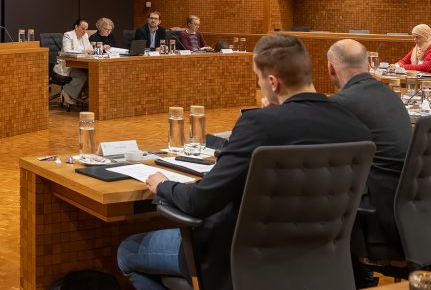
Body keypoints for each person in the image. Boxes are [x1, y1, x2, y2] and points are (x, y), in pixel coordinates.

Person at [116, 33, 371, 290]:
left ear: (273, 82)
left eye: (258, 80)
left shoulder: (259, 125)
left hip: (241, 261)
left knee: (127, 252)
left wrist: (163, 185)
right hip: (324, 263)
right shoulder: (356, 127)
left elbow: (199, 202)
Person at [328, 38, 412, 288]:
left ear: (331, 68)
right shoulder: (390, 95)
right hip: (412, 210)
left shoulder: (342, 103)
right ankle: (362, 277)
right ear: (368, 64)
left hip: (380, 217)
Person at [60, 19, 92, 106]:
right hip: (68, 64)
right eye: (82, 28)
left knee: (92, 73)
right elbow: (67, 51)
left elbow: (90, 49)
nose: (84, 31)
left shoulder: (85, 36)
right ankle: (66, 91)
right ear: (76, 27)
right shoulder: (68, 35)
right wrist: (84, 51)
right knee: (83, 75)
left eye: (86, 29)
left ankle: (86, 95)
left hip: (82, 64)